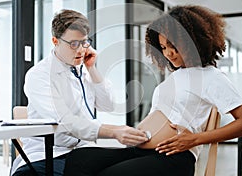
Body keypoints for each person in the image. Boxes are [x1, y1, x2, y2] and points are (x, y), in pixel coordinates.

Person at [63, 5, 242, 176]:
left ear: (193, 40)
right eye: (163, 47)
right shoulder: (174, 77)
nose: (168, 53)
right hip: (142, 150)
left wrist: (194, 139)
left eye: (173, 46)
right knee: (81, 158)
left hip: (174, 157)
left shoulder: (211, 76)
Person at [11, 9, 148, 176]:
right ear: (55, 41)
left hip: (85, 151)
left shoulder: (83, 69)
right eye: (73, 44)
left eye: (84, 42)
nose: (80, 50)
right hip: (51, 155)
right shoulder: (39, 75)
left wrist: (92, 69)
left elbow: (108, 104)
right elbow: (65, 121)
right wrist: (113, 131)